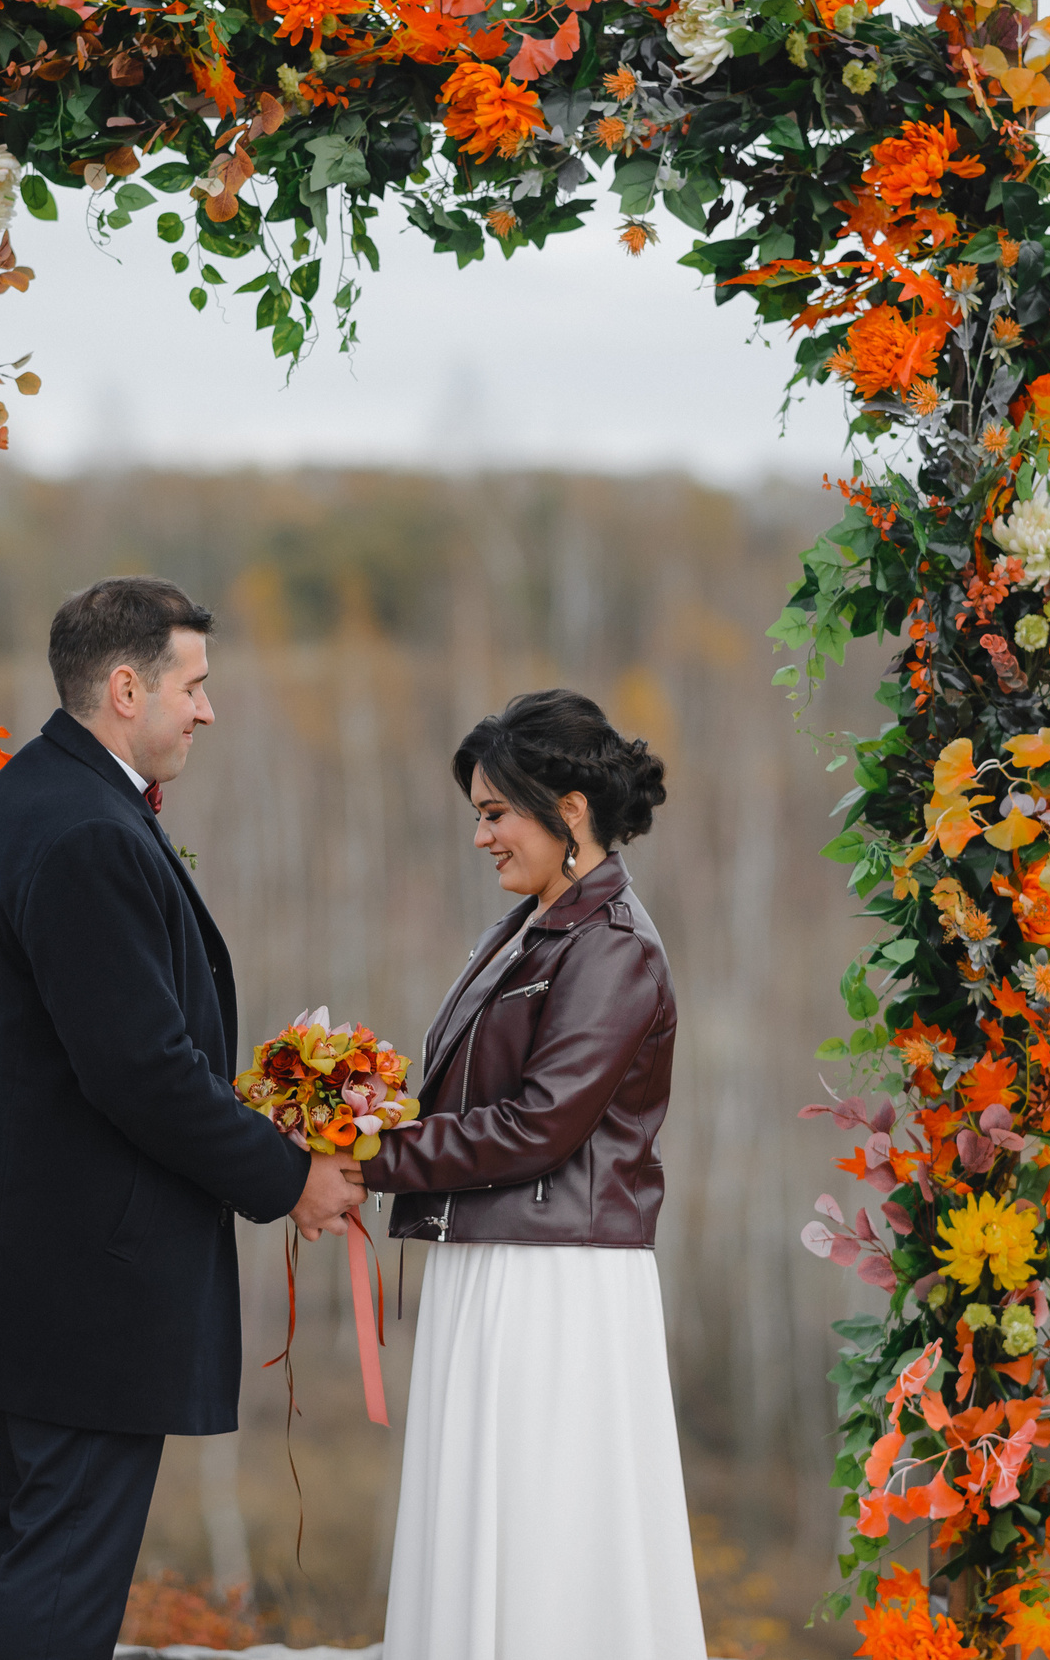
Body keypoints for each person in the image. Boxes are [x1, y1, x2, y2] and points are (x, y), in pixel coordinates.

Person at [0, 576, 367, 1660]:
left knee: (38, 1540)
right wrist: (288, 1174)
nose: (207, 709)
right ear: (126, 684)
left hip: (37, 1267)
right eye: (194, 684)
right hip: (79, 1279)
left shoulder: (35, 793)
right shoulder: (85, 830)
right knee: (63, 1563)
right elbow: (140, 1069)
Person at [355, 688, 709, 1660]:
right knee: (483, 1514)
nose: (482, 837)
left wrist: (369, 1159)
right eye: (480, 814)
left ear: (571, 810)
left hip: (557, 1278)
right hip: (498, 1256)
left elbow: (537, 1126)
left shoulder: (613, 947)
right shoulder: (536, 924)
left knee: (547, 1525)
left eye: (494, 812)